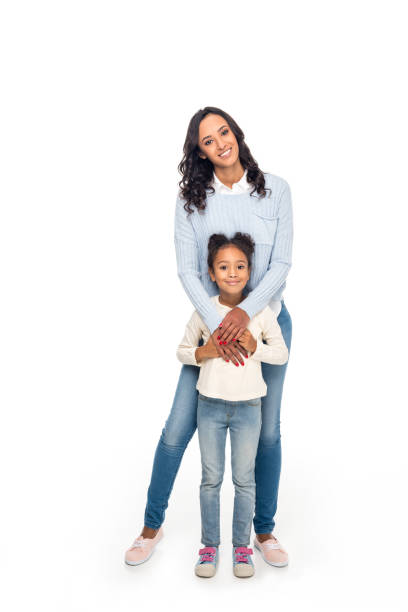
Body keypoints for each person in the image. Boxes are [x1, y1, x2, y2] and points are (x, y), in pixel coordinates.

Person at [124, 106, 293, 569]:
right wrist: (219, 321)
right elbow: (186, 268)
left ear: (236, 133)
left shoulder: (276, 190)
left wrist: (245, 313)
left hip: (265, 322)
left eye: (224, 131)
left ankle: (262, 531)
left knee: (269, 432)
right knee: (178, 427)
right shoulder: (190, 201)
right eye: (207, 140)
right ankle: (149, 528)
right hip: (211, 324)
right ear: (199, 152)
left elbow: (280, 265)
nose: (220, 142)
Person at [176, 232, 288, 578]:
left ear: (249, 270)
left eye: (240, 266)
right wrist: (204, 351)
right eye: (223, 267)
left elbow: (281, 353)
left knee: (244, 480)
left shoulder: (262, 313)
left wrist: (255, 346)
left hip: (248, 408)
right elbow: (181, 350)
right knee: (211, 479)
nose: (232, 273)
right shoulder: (204, 311)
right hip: (208, 406)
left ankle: (242, 548)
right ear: (211, 273)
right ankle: (209, 547)